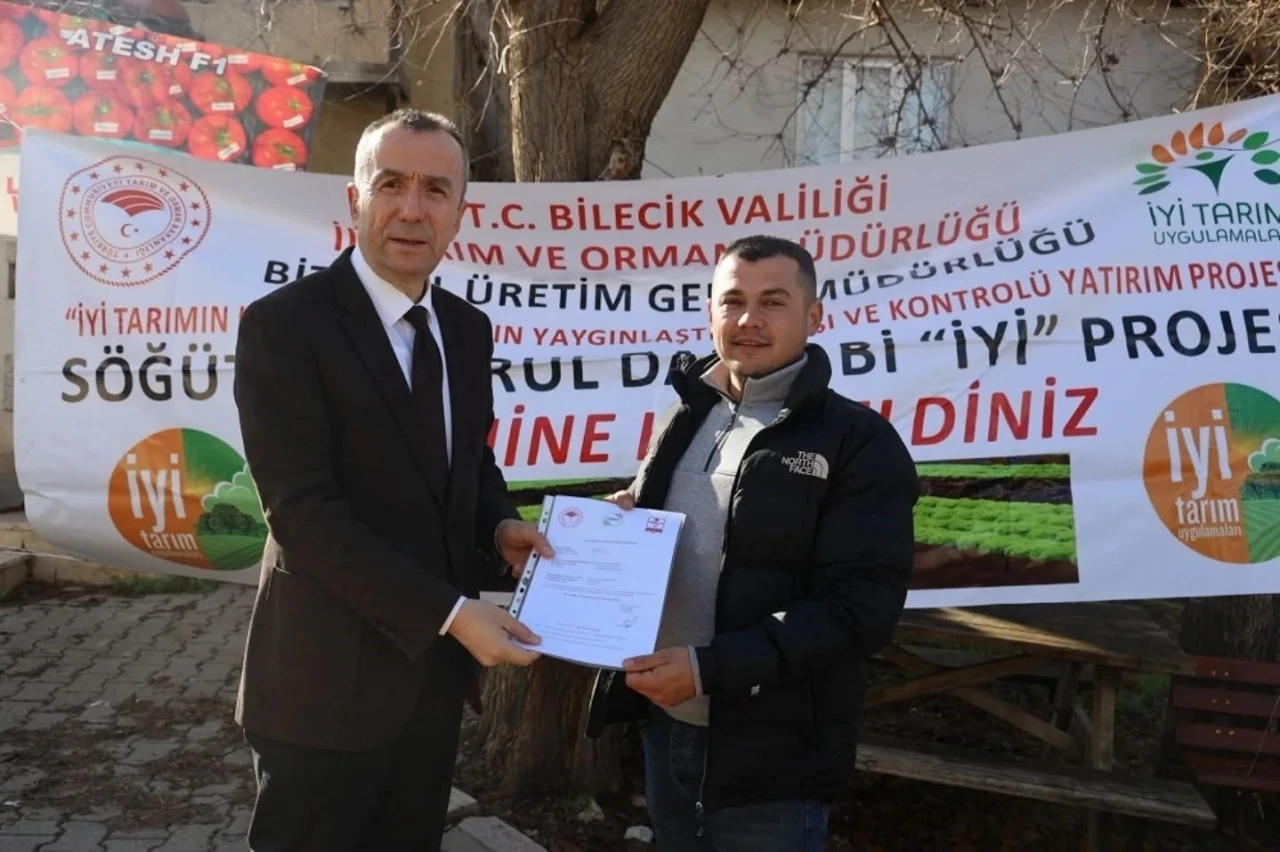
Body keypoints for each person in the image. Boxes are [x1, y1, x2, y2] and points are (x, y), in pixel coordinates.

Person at [232, 108, 552, 852]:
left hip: (430, 687)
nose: (412, 208)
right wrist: (453, 612)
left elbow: (468, 462)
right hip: (320, 688)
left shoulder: (467, 329)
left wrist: (499, 525)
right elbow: (302, 513)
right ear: (355, 200)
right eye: (391, 184)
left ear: (460, 212)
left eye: (435, 189)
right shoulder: (285, 326)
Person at [584, 235, 919, 850]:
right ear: (710, 310)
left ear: (814, 316)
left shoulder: (859, 441)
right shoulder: (683, 417)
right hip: (666, 726)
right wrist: (623, 522)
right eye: (733, 301)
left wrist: (708, 670)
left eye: (773, 302)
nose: (748, 320)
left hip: (775, 751)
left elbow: (859, 610)